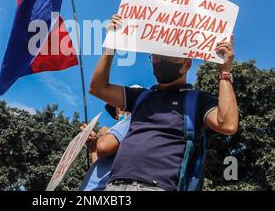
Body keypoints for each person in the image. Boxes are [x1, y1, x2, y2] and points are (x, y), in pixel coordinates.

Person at [89, 14, 239, 191]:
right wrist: (111, 46)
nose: (160, 61)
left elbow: (228, 124)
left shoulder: (197, 99)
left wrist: (225, 72)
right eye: (157, 57)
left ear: (187, 64)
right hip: (115, 186)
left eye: (169, 58)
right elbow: (97, 88)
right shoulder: (141, 97)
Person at [79, 106, 131, 191]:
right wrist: (93, 149)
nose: (118, 112)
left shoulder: (131, 124)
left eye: (121, 106)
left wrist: (102, 139)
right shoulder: (112, 135)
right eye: (117, 110)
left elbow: (103, 146)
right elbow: (100, 170)